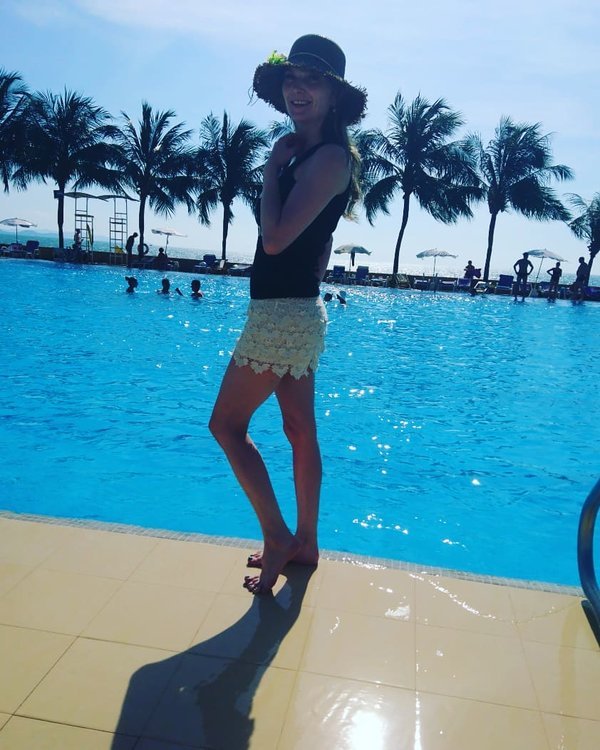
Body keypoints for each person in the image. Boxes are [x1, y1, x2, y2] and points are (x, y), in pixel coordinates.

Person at [209, 34, 366, 595]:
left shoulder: (326, 158)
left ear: (334, 95)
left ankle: (277, 535)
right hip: (295, 309)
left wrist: (271, 171)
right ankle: (306, 543)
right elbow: (314, 244)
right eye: (291, 78)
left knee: (226, 426)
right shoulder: (309, 152)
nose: (298, 88)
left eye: (312, 79)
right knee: (299, 431)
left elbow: (274, 239)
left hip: (280, 316)